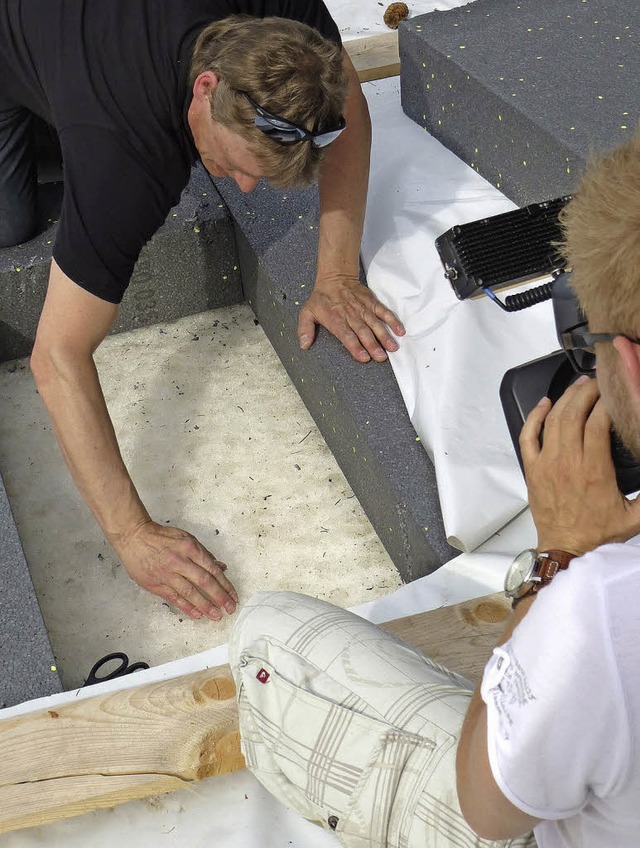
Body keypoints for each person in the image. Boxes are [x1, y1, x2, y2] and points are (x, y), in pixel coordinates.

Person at [229, 130, 640, 847]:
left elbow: (490, 809)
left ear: (629, 366)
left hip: (524, 802)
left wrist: (561, 564)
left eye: (588, 347)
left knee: (268, 634)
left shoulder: (602, 613)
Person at [0, 1, 405, 622]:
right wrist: (131, 535)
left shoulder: (294, 33)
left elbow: (350, 112)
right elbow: (56, 357)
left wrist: (337, 273)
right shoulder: (125, 157)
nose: (242, 188)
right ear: (205, 87)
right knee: (12, 222)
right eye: (240, 165)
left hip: (91, 49)